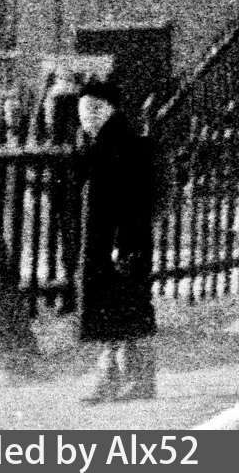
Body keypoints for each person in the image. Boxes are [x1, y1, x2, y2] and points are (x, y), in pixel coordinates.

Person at [74, 84, 164, 403]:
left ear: (112, 110)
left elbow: (134, 202)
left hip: (122, 243)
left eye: (96, 109)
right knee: (110, 314)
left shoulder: (123, 145)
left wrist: (121, 243)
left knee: (128, 310)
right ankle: (112, 381)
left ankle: (139, 381)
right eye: (83, 111)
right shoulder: (97, 144)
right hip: (104, 245)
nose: (88, 117)